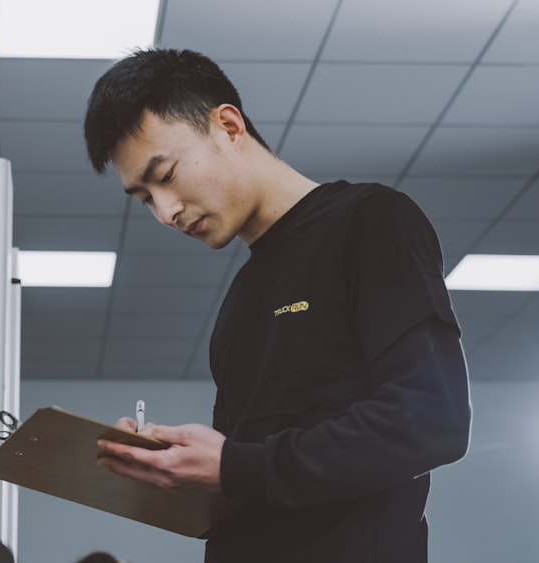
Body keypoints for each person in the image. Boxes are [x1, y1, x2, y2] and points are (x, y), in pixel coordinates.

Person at [83, 48, 472, 563]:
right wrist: (170, 466)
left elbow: (432, 419)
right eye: (144, 198)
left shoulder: (369, 222)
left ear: (227, 125)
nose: (166, 211)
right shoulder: (237, 305)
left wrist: (237, 467)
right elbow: (245, 479)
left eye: (167, 174)